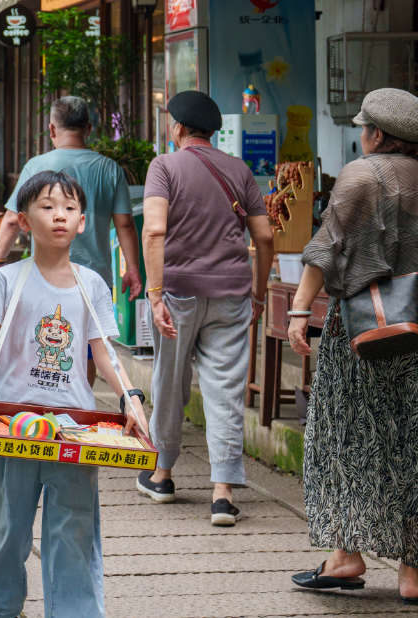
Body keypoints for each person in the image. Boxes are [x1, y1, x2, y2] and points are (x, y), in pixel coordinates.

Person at [288, 88, 418, 604]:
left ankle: (346, 556)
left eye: (365, 127)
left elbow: (326, 248)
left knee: (345, 438)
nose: (361, 134)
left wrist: (300, 310)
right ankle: (411, 576)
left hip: (362, 335)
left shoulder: (361, 175)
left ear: (379, 135)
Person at [0, 171, 148, 618]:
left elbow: (105, 355)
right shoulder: (6, 281)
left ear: (82, 222)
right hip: (10, 423)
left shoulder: (92, 284)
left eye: (69, 207)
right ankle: (0, 607)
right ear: (24, 220)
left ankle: (75, 611)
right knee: (4, 525)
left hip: (75, 429)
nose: (58, 215)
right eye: (46, 206)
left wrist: (131, 398)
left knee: (74, 527)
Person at [136, 90, 275, 526]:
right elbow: (265, 237)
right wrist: (258, 291)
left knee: (170, 382)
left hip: (177, 293)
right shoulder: (239, 169)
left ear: (176, 127)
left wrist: (154, 294)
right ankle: (223, 493)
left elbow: (154, 232)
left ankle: (162, 474)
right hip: (233, 293)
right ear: (212, 131)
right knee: (226, 388)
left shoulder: (164, 166)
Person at [0, 96, 142, 385]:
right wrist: (132, 268)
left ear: (51, 129)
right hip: (96, 278)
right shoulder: (110, 168)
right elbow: (125, 223)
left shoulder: (38, 165)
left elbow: (11, 219)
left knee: (44, 341)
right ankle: (81, 405)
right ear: (88, 128)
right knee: (90, 350)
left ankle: (44, 407)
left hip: (45, 276)